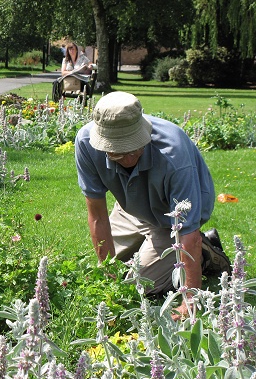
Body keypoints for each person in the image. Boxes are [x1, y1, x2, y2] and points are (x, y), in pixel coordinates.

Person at [74, 91, 231, 318]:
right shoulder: (86, 143)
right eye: (118, 152)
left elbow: (186, 232)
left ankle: (205, 254)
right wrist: (107, 279)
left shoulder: (173, 154)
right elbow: (97, 215)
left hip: (172, 220)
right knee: (112, 276)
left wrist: (190, 300)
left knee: (136, 284)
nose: (129, 159)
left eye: (135, 147)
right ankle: (178, 251)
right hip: (132, 209)